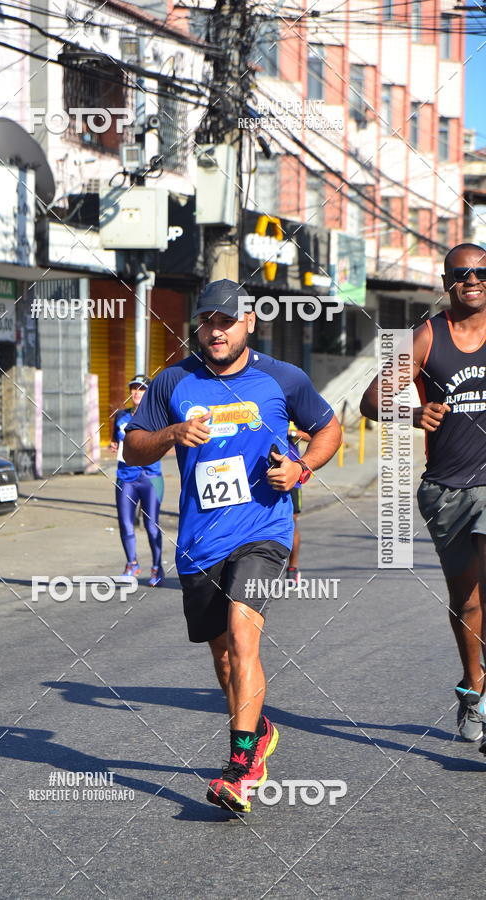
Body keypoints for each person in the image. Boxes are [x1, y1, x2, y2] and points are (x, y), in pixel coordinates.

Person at [123, 279, 342, 812]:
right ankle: (258, 730)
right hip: (200, 542)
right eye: (207, 322)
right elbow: (133, 449)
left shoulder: (282, 378)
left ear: (249, 322)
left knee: (245, 636)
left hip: (263, 531)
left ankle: (239, 769)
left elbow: (329, 429)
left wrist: (302, 468)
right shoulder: (173, 380)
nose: (216, 331)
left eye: (226, 321)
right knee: (224, 659)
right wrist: (172, 434)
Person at [360, 243, 486, 747]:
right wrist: (412, 413)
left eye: (481, 272)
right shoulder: (425, 336)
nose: (472, 280)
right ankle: (473, 687)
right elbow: (371, 400)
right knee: (467, 602)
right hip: (446, 490)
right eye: (461, 273)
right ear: (446, 280)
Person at [110, 375, 164, 587]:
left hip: (150, 477)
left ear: (148, 392)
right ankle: (131, 564)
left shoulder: (157, 416)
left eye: (141, 389)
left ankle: (157, 567)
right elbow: (115, 440)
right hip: (126, 477)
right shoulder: (121, 416)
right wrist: (114, 446)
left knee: (151, 525)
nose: (136, 392)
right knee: (125, 523)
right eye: (133, 388)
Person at [286, 422, 311, 585]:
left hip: (292, 478)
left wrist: (292, 433)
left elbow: (311, 436)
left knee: (292, 521)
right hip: (264, 476)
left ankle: (293, 568)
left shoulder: (293, 413)